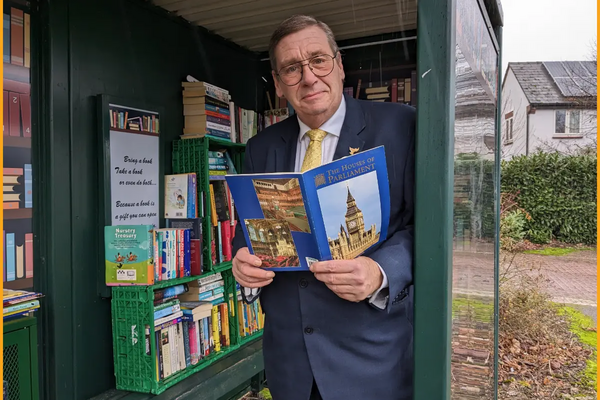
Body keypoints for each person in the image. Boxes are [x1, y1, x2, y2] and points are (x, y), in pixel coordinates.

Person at [231, 14, 415, 400]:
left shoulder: (401, 126)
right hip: (289, 365)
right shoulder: (261, 147)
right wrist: (242, 264)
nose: (309, 77)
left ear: (339, 64)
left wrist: (380, 271)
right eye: (292, 69)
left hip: (371, 362)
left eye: (318, 60)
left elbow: (427, 227)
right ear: (280, 86)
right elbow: (245, 236)